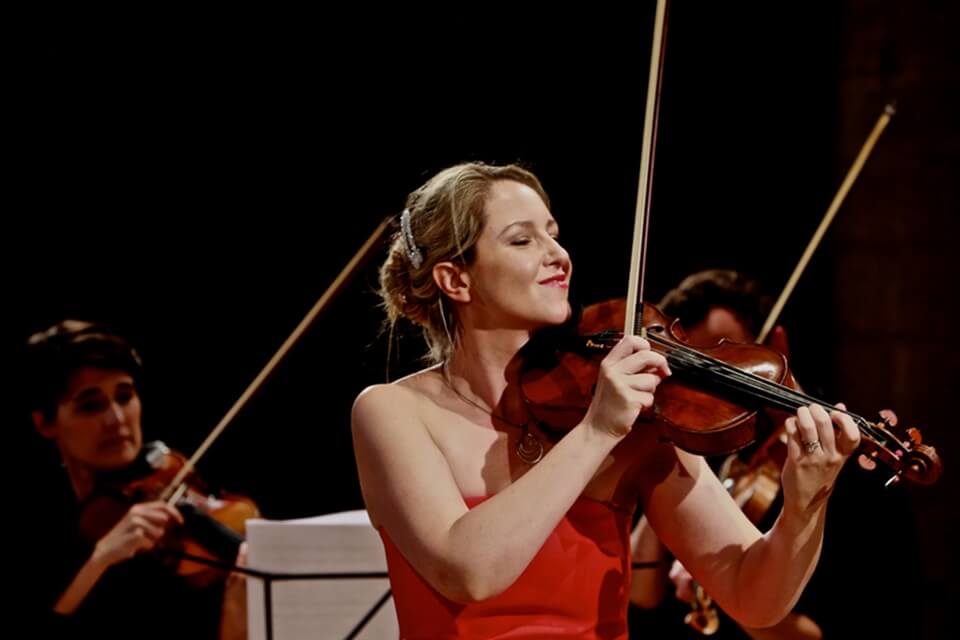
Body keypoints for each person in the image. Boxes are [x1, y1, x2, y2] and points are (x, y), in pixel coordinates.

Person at [351, 162, 861, 638]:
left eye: (553, 233)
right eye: (522, 240)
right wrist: (595, 433)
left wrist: (802, 506)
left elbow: (754, 597)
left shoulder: (631, 416)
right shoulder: (394, 413)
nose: (558, 254)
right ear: (455, 279)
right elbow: (468, 572)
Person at [22, 320, 247, 640]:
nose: (116, 420)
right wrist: (101, 559)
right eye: (91, 405)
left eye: (125, 397)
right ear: (45, 423)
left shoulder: (171, 492)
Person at [629, 269, 822, 640]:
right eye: (692, 371)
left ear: (776, 345)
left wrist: (728, 586)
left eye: (726, 365)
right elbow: (641, 592)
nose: (712, 391)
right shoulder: (699, 439)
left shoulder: (828, 460)